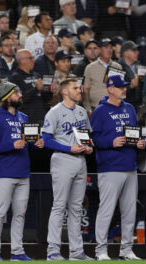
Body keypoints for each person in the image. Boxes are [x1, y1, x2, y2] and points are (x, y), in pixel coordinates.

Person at [0, 79, 44, 261]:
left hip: (23, 172)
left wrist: (37, 144)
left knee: (20, 214)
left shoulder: (24, 118)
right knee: (0, 213)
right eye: (17, 93)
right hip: (5, 171)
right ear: (7, 96)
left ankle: (17, 251)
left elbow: (27, 145)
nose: (20, 96)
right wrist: (12, 144)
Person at [90, 75, 146, 261]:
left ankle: (126, 250)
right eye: (120, 87)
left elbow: (133, 133)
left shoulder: (129, 108)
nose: (124, 89)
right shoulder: (100, 111)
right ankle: (100, 251)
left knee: (129, 211)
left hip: (130, 165)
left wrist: (138, 143)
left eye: (125, 86)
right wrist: (110, 141)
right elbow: (92, 139)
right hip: (110, 167)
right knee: (106, 210)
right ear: (110, 89)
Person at [42, 78, 93, 261]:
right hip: (62, 160)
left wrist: (89, 146)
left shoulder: (81, 112)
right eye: (75, 88)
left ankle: (76, 252)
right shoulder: (54, 112)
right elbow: (46, 140)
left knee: (77, 208)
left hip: (81, 161)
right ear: (65, 92)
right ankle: (53, 251)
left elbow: (87, 136)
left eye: (79, 87)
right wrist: (68, 148)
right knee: (59, 206)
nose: (79, 90)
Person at [83, 38, 123, 114]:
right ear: (99, 50)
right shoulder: (90, 67)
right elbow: (86, 91)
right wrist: (88, 109)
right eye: (106, 47)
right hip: (96, 108)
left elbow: (121, 89)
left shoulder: (118, 67)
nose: (109, 50)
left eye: (111, 48)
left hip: (114, 108)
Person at [9, 49, 45, 124]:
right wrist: (35, 89)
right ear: (21, 60)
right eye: (30, 58)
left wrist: (50, 90)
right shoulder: (14, 78)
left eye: (33, 58)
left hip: (40, 117)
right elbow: (18, 99)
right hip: (25, 119)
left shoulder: (37, 75)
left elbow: (42, 97)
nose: (33, 60)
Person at [118, 40, 140, 108]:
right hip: (123, 106)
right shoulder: (117, 67)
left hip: (138, 107)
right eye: (134, 50)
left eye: (137, 50)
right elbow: (114, 91)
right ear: (125, 53)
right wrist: (130, 87)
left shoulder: (139, 67)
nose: (137, 52)